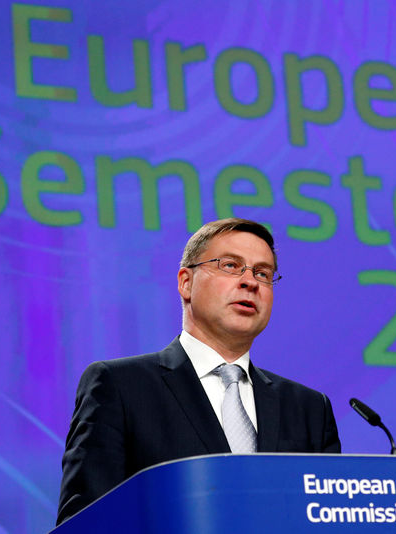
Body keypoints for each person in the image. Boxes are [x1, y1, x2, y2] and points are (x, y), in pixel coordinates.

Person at [57, 218, 340, 524]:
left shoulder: (310, 409)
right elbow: (86, 522)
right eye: (231, 266)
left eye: (263, 273)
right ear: (185, 283)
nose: (250, 282)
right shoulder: (119, 387)